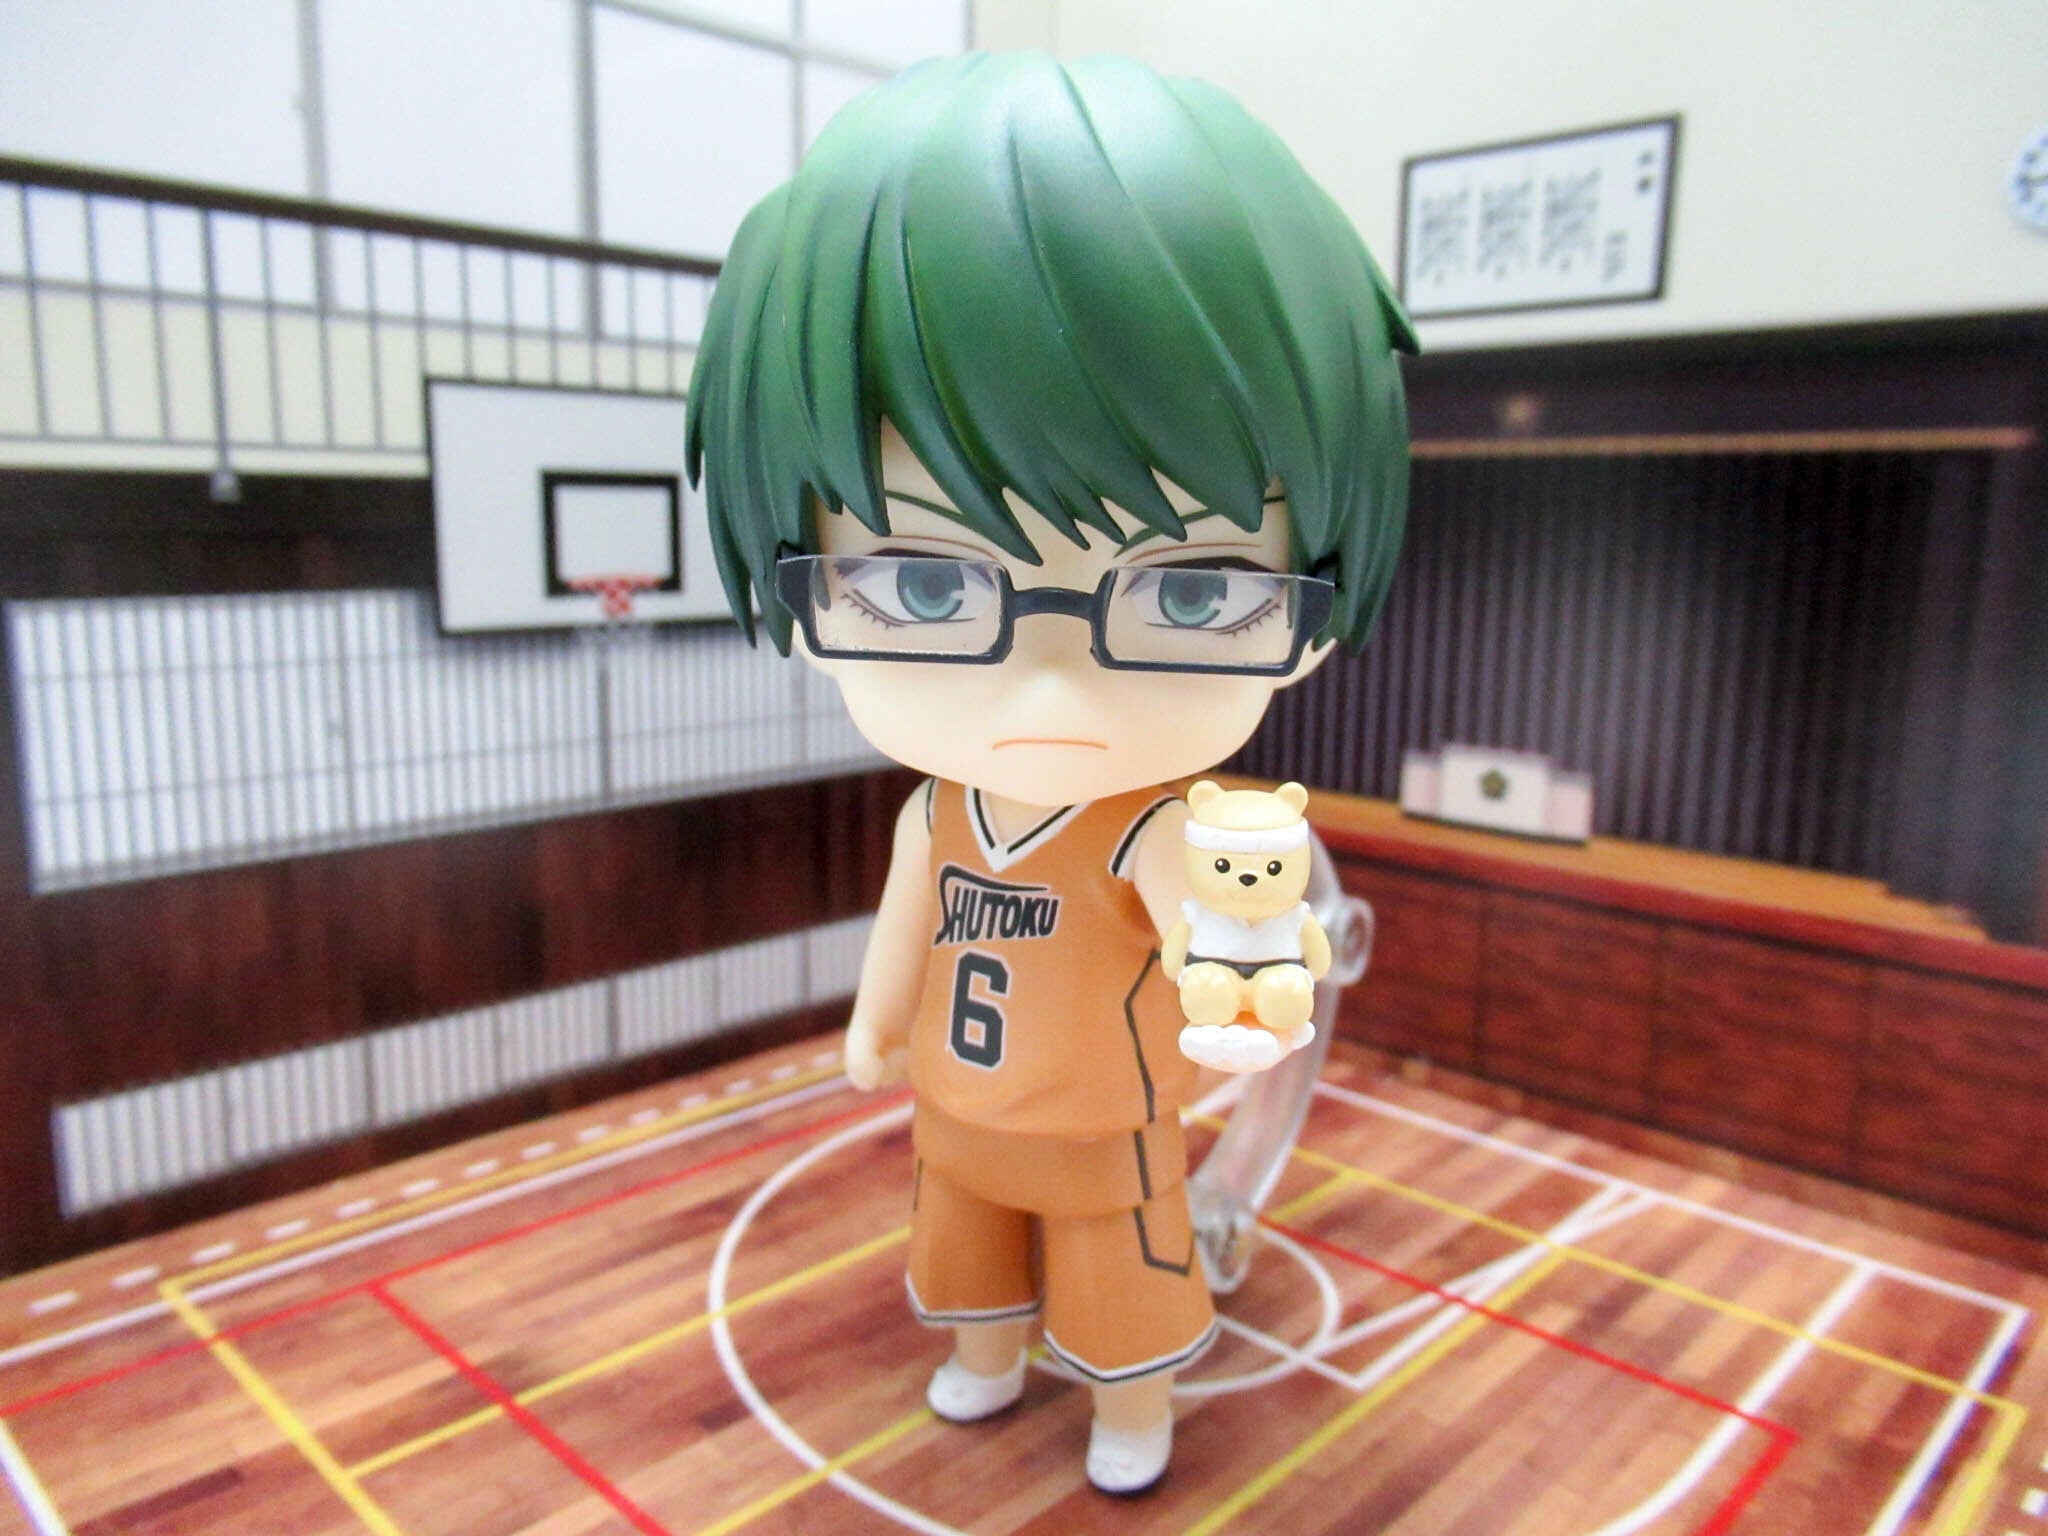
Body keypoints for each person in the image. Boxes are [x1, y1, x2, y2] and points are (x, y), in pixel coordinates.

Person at [686, 49, 1412, 1496]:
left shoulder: (1153, 827)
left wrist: (1253, 984)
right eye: (929, 586)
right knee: (967, 1263)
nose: (1050, 684)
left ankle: (1132, 1419)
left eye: (1192, 591)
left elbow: (1224, 941)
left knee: (1118, 1282)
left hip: (1101, 1128)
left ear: (1314, 609)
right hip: (957, 1112)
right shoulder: (940, 809)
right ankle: (987, 1360)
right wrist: (874, 1022)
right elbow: (906, 926)